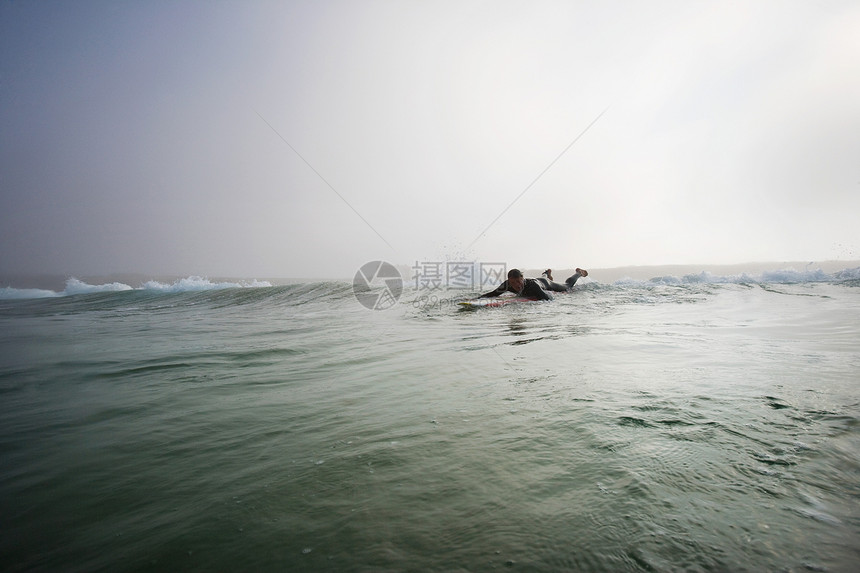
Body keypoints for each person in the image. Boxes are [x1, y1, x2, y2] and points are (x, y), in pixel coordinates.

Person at [479, 267, 588, 301]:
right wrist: (476, 299)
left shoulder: (532, 286)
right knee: (544, 277)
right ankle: (546, 273)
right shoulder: (507, 284)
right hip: (539, 279)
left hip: (544, 283)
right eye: (513, 282)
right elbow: (492, 294)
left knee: (567, 286)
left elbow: (547, 299)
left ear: (522, 278)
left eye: (518, 281)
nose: (516, 285)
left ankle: (578, 273)